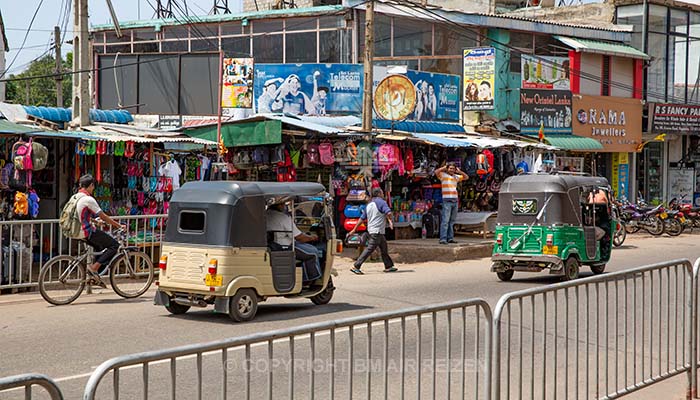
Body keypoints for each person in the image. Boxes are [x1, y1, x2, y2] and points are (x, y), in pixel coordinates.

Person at [73, 174, 124, 288]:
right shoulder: (88, 199)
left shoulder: (76, 197)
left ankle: (94, 276)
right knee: (114, 245)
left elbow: (79, 215)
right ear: (91, 185)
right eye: (93, 186)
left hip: (75, 230)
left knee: (100, 247)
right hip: (85, 231)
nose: (93, 188)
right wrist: (118, 225)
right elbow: (103, 216)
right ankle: (94, 268)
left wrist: (95, 222)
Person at [266, 203, 322, 282]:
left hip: (272, 246)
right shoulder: (284, 218)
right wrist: (312, 237)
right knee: (313, 253)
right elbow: (300, 238)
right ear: (279, 205)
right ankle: (311, 281)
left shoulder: (265, 215)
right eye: (283, 204)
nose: (284, 206)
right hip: (285, 247)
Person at [347, 188, 397, 274]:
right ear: (379, 194)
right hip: (377, 231)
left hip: (373, 230)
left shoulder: (369, 205)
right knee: (370, 249)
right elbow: (388, 212)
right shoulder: (381, 202)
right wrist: (390, 220)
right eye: (382, 193)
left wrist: (354, 229)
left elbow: (361, 219)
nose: (383, 194)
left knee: (384, 248)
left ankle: (388, 266)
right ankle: (356, 266)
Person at [435, 162, 468, 245]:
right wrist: (444, 167)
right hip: (447, 200)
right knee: (445, 221)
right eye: (450, 168)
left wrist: (459, 172)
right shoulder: (443, 175)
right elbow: (436, 172)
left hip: (455, 200)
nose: (452, 170)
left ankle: (450, 238)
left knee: (452, 221)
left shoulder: (456, 177)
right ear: (447, 169)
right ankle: (443, 239)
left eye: (453, 168)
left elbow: (466, 177)